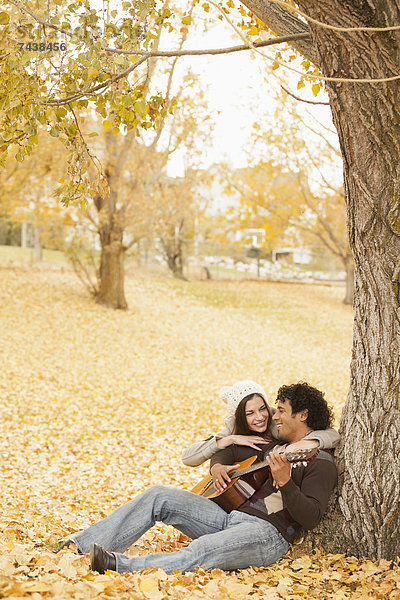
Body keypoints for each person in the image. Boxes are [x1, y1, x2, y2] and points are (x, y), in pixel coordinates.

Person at [57, 381, 337, 575]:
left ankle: (118, 565)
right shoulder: (273, 443)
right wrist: (217, 464)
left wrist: (286, 481)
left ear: (303, 415)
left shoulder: (320, 460)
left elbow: (311, 516)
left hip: (266, 534)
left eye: (281, 412)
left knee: (202, 549)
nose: (273, 417)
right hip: (226, 517)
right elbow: (221, 454)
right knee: (159, 495)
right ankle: (79, 546)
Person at [181, 380, 340, 468]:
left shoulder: (275, 420)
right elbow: (188, 458)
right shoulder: (233, 428)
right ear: (240, 417)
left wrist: (308, 441)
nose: (259, 417)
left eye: (262, 408)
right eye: (250, 413)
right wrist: (229, 440)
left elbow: (332, 434)